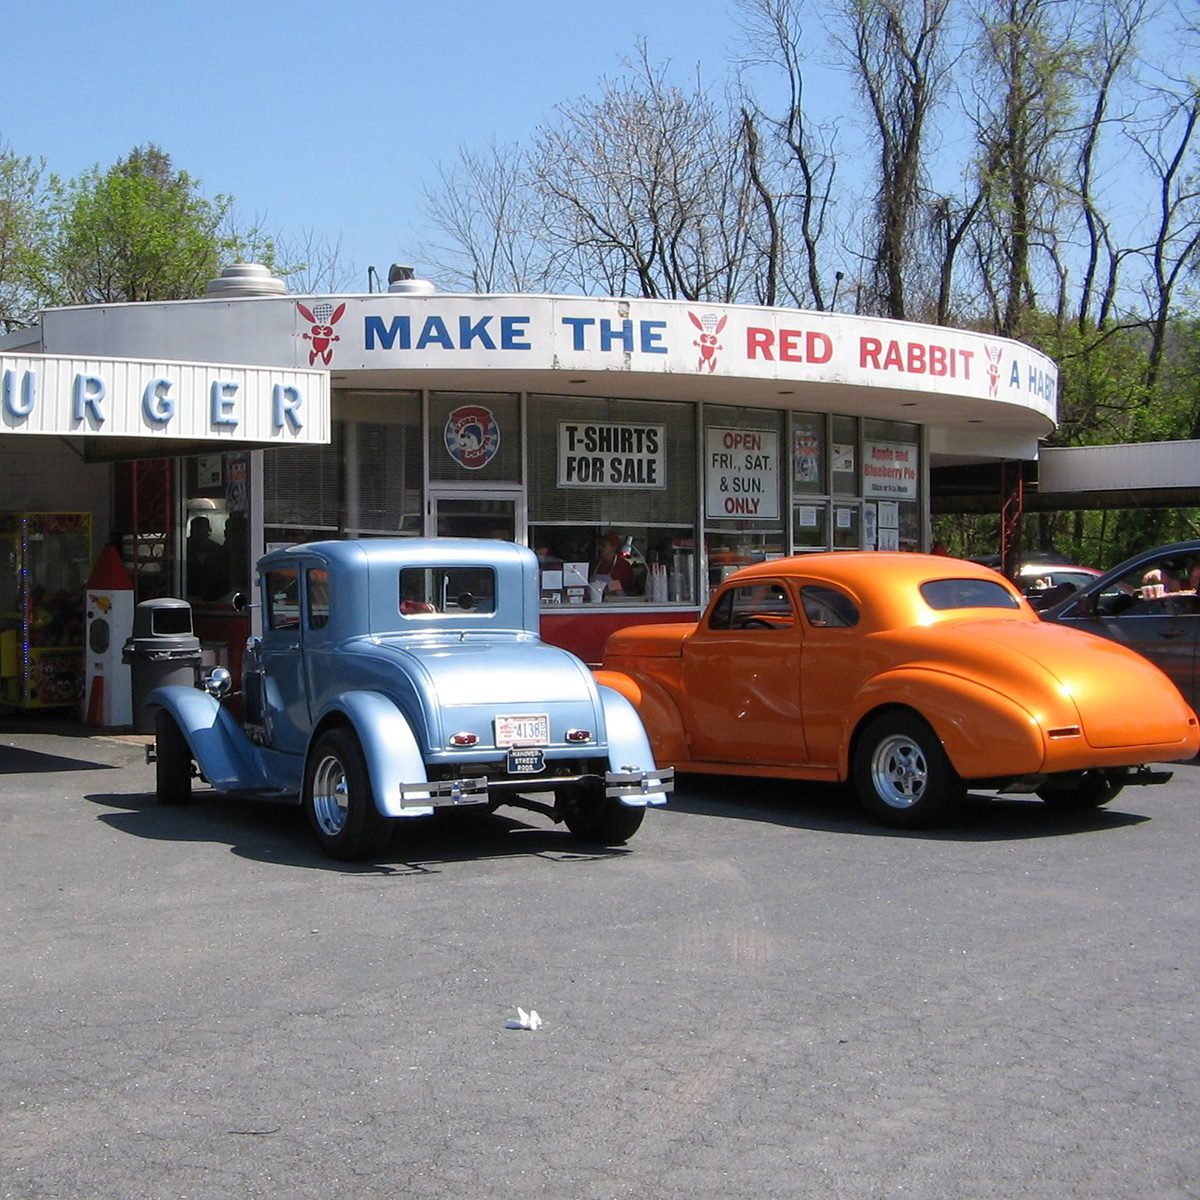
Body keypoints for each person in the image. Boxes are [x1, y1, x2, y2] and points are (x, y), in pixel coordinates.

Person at [186, 515, 228, 602]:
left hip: (214, 599)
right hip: (187, 596)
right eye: (198, 530)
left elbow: (223, 576)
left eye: (203, 530)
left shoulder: (218, 550)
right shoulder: (182, 548)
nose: (201, 534)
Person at [590, 530, 637, 597]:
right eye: (600, 545)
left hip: (619, 604)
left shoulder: (623, 565)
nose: (600, 548)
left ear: (613, 548)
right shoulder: (596, 564)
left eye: (603, 546)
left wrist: (603, 587)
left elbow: (624, 588)